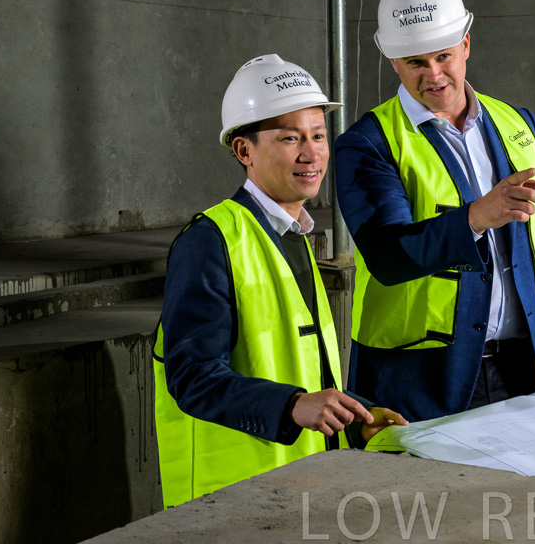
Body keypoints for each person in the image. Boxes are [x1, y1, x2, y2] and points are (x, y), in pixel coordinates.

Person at [334, 0, 535, 423]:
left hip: (526, 366)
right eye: (416, 63)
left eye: (444, 56)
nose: (434, 75)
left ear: (466, 45)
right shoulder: (368, 143)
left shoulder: (516, 123)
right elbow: (388, 256)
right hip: (419, 380)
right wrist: (476, 216)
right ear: (393, 61)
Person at [153, 54, 405, 508]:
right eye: (290, 138)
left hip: (294, 487)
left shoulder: (294, 234)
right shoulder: (210, 241)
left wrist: (355, 416)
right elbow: (193, 377)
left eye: (318, 135)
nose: (311, 153)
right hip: (227, 500)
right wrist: (292, 406)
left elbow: (301, 368)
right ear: (244, 151)